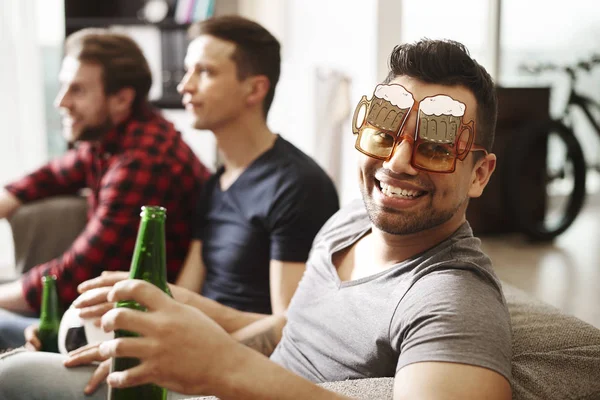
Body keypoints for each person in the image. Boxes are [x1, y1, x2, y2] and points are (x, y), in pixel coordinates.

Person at [0, 38, 513, 400]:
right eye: (385, 133)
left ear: (479, 173)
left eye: (436, 146)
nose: (398, 162)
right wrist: (178, 312)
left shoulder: (453, 298)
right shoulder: (351, 220)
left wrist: (223, 368)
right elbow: (292, 330)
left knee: (16, 380)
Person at [18, 15, 339, 355]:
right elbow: (180, 299)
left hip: (226, 366)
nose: (184, 86)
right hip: (184, 350)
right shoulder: (215, 184)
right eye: (187, 71)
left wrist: (175, 311)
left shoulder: (297, 186)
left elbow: (290, 330)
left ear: (255, 88)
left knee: (17, 374)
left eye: (205, 72)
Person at [0, 28, 210, 349]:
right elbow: (56, 173)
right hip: (107, 308)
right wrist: (7, 198)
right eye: (63, 87)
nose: (61, 102)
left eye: (78, 90)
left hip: (136, 326)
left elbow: (76, 274)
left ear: (122, 98)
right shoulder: (112, 138)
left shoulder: (143, 159)